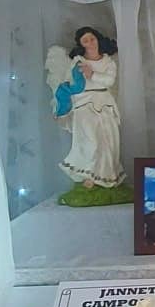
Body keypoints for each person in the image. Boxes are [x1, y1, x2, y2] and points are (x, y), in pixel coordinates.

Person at [49, 26, 124, 189]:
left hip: (105, 102)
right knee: (90, 140)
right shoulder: (78, 62)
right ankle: (88, 174)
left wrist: (93, 75)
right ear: (81, 44)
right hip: (84, 103)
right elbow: (71, 84)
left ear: (97, 39)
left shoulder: (108, 61)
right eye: (85, 41)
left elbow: (109, 81)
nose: (90, 43)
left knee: (109, 140)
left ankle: (106, 175)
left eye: (92, 39)